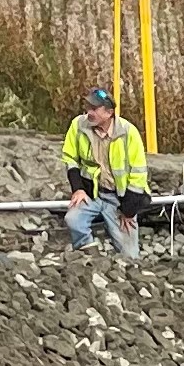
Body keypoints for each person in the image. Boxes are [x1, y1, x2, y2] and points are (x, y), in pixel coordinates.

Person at [62, 89, 151, 255]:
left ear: (109, 112)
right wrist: (78, 189)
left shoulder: (128, 132)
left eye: (94, 109)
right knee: (73, 219)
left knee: (130, 256)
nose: (89, 113)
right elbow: (70, 158)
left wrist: (128, 212)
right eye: (87, 108)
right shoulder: (79, 125)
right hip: (92, 194)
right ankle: (90, 256)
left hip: (118, 200)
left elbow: (138, 176)